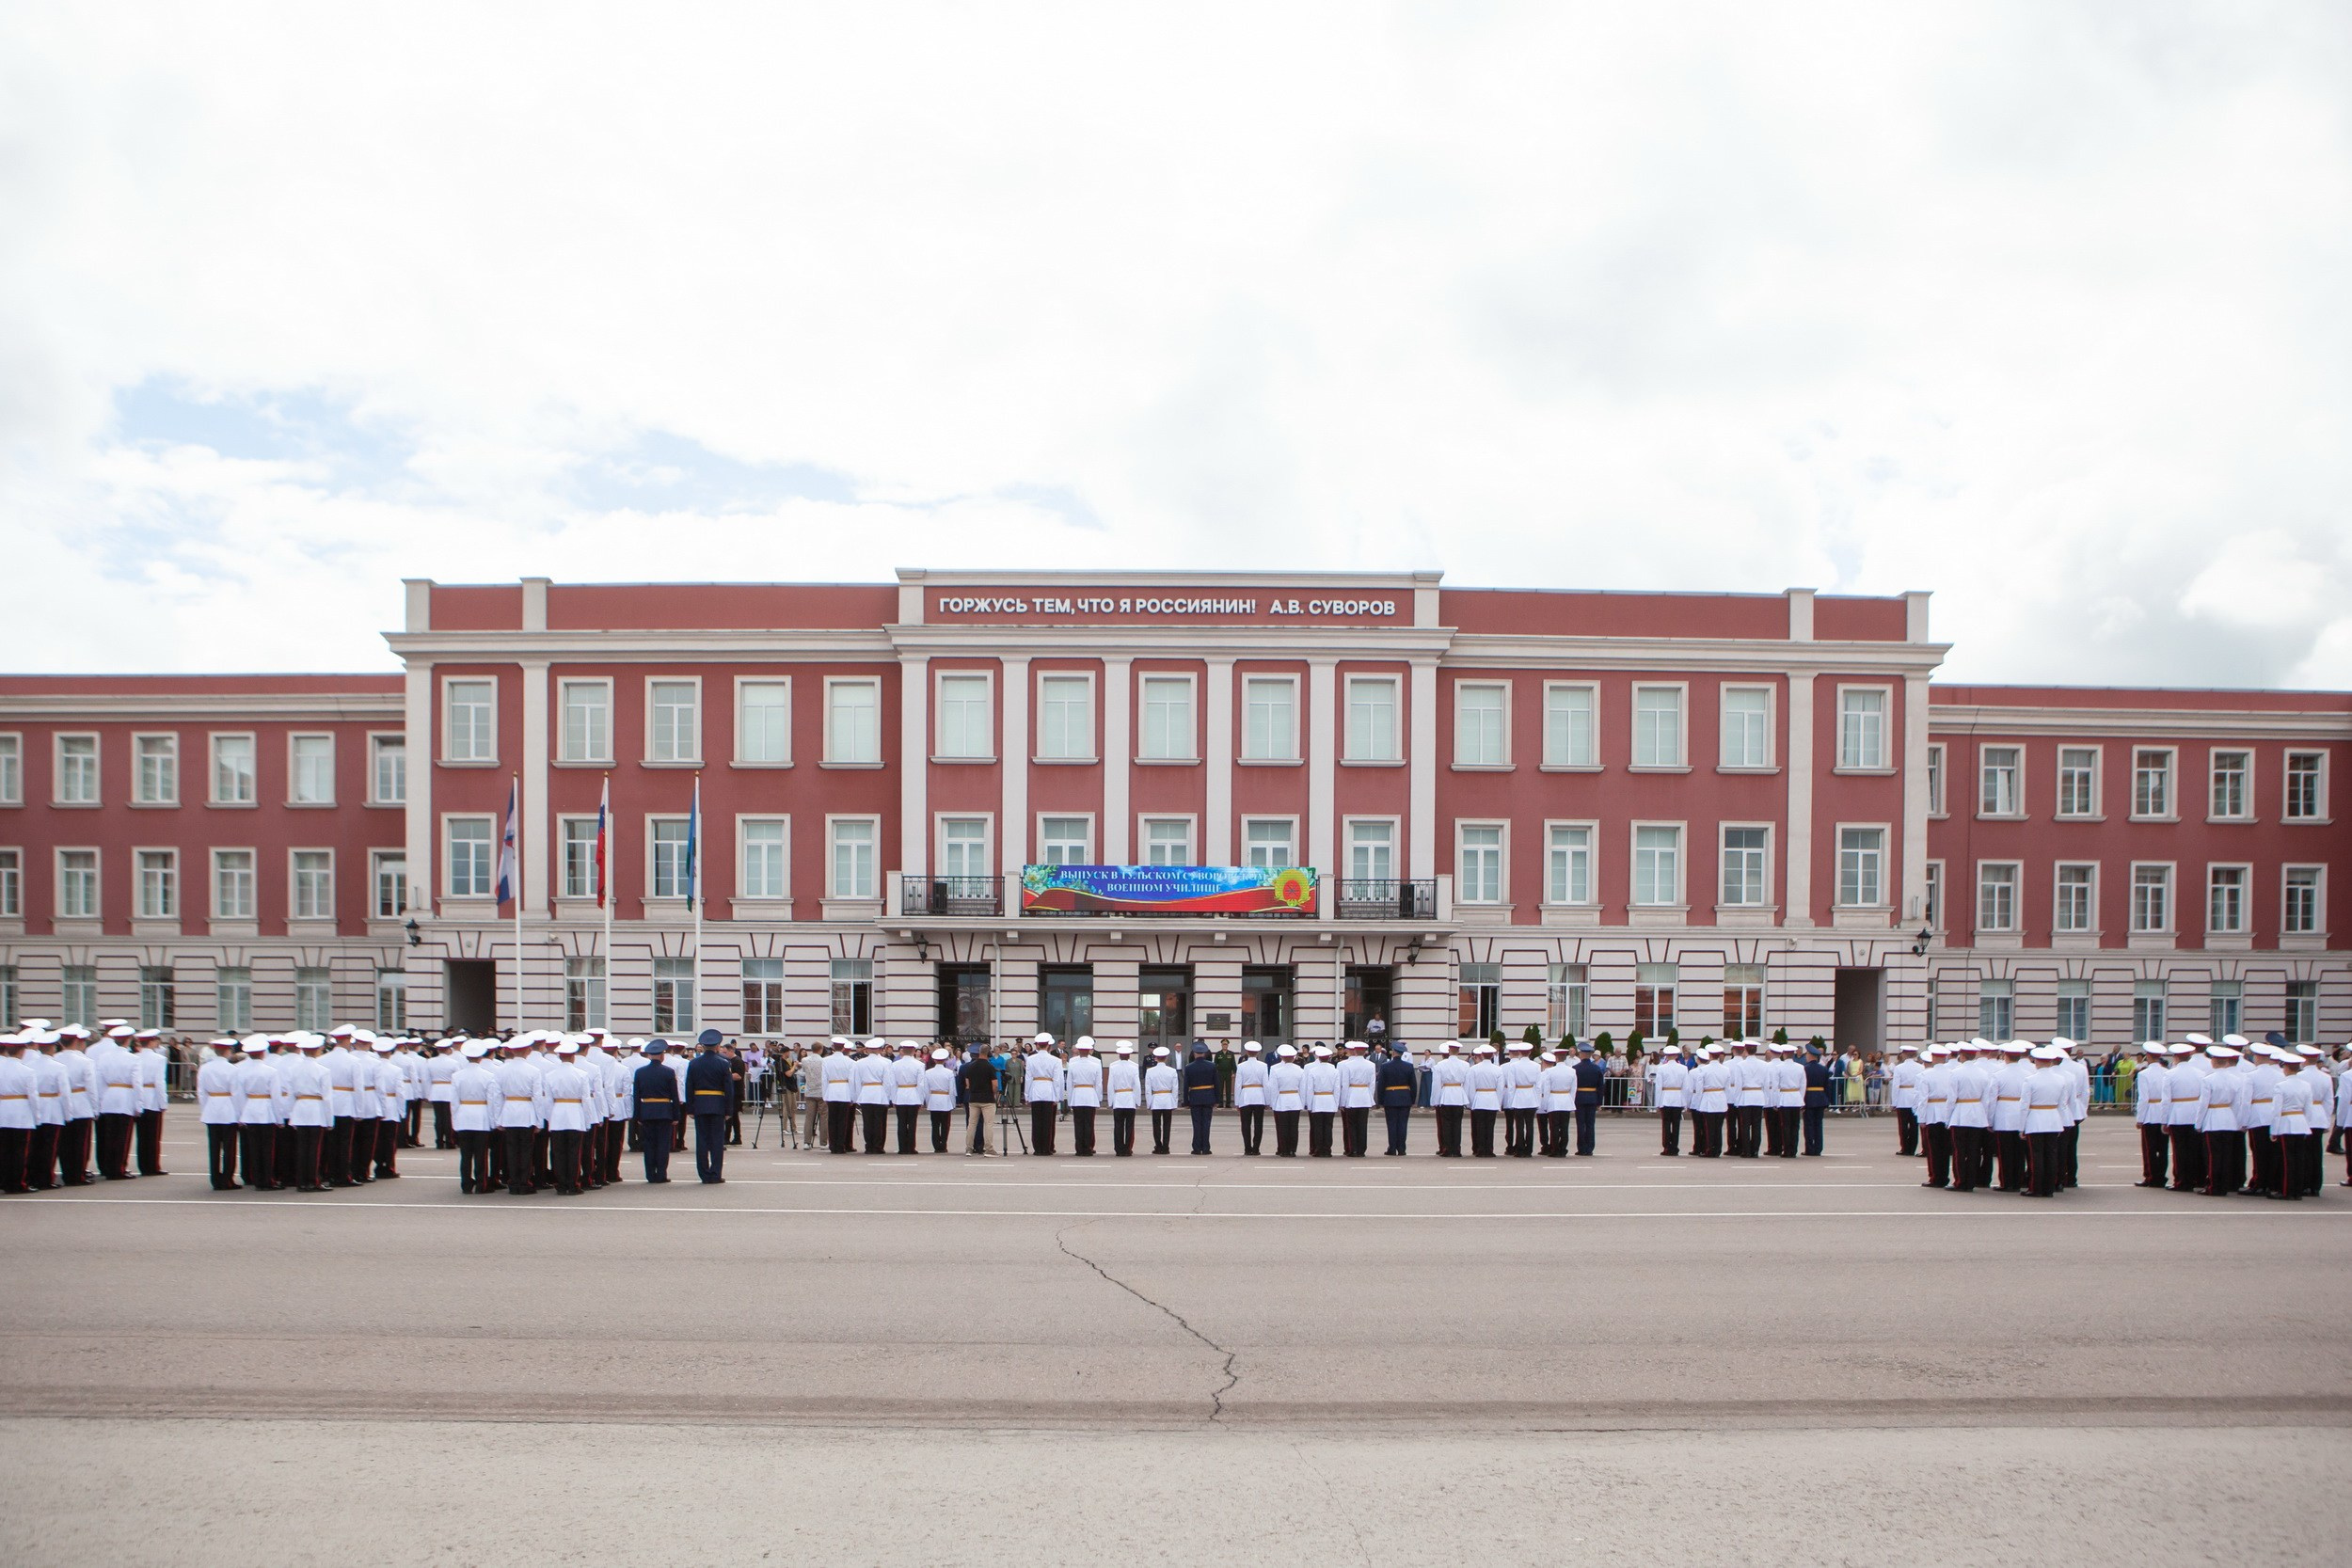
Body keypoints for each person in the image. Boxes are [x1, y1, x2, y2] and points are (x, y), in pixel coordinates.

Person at [450, 1041, 500, 1194]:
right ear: (480, 1057)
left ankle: (466, 1184)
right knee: (481, 1153)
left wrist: (455, 1121)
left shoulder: (457, 1076)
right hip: (481, 1116)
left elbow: (454, 1102)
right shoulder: (488, 1076)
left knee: (465, 1154)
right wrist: (493, 1121)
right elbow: (492, 1101)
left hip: (464, 1114)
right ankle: (481, 1184)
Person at [685, 1029, 733, 1184]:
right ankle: (715, 1173)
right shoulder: (724, 1063)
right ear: (718, 1046)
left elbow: (689, 1086)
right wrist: (728, 1110)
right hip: (717, 1105)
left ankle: (704, 1174)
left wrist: (690, 1108)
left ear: (703, 1046)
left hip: (700, 1104)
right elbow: (729, 1089)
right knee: (717, 1141)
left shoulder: (693, 1063)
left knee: (702, 1140)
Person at [198, 1037, 243, 1190]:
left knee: (214, 1147)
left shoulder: (205, 1068)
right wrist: (239, 1114)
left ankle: (215, 1179)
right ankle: (227, 1179)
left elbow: (201, 1092)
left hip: (211, 1108)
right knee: (229, 1148)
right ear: (227, 1051)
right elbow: (236, 1094)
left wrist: (205, 1110)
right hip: (228, 1109)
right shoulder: (232, 1069)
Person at [2132, 1040, 2170, 1188]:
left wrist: (2140, 1119)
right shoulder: (2167, 1072)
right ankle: (2161, 1176)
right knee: (2163, 1148)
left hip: (2150, 1113)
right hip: (2164, 1113)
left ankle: (2151, 1176)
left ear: (2148, 1056)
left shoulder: (2144, 1074)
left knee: (2150, 1149)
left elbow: (2143, 1098)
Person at [1024, 1034, 1064, 1156]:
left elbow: (1028, 1078)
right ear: (1048, 1045)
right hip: (1049, 1091)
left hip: (1035, 1090)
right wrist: (1058, 1096)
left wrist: (1027, 1095)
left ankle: (1037, 1148)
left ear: (1037, 1045)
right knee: (1047, 1122)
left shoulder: (1031, 1059)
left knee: (1036, 1122)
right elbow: (1058, 1080)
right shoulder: (1056, 1060)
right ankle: (1046, 1148)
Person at [1501, 1039, 1540, 1158]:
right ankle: (1529, 1149)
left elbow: (1511, 1086)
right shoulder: (1536, 1066)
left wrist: (1511, 1101)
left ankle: (1520, 1149)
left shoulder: (1514, 1066)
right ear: (1529, 1052)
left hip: (1519, 1096)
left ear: (1520, 1052)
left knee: (1519, 1125)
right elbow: (1538, 1086)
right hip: (1531, 1096)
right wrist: (1537, 1101)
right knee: (1530, 1125)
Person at [1065, 1037, 1104, 1156]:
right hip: (1090, 1095)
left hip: (1077, 1095)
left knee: (1078, 1124)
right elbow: (1099, 1083)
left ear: (1079, 1050)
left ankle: (1079, 1148)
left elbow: (1069, 1083)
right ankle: (1087, 1148)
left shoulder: (1072, 1064)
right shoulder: (1095, 1065)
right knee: (1089, 1124)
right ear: (1089, 1051)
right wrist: (1098, 1098)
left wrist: (1070, 1100)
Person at [1265, 1043, 1305, 1157]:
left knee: (1283, 1127)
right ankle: (1292, 1150)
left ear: (1282, 1057)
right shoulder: (1300, 1070)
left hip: (1282, 1100)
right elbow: (1303, 1089)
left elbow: (1273, 1088)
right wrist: (1302, 1103)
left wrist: (1273, 1103)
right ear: (1294, 1057)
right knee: (1294, 1127)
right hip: (1295, 1099)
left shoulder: (1276, 1070)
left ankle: (1284, 1150)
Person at [1376, 1042, 1415, 1155]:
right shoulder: (1408, 1066)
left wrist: (1381, 1100)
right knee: (1403, 1124)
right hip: (1405, 1098)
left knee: (1392, 1124)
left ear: (1393, 1052)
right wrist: (1412, 1100)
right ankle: (1402, 1148)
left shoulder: (1385, 1066)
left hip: (1390, 1098)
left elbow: (1381, 1085)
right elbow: (1413, 1085)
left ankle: (1392, 1148)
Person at [1465, 1043, 1503, 1158]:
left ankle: (1481, 1149)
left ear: (1481, 1055)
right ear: (1492, 1056)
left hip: (1479, 1098)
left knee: (1480, 1126)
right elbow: (1500, 1089)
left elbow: (1471, 1087)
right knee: (1490, 1126)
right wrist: (1498, 1103)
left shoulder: (1474, 1069)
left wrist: (1471, 1102)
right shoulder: (1498, 1069)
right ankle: (1489, 1149)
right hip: (1492, 1098)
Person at [1429, 1041, 1467, 1157]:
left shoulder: (1440, 1065)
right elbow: (1467, 1083)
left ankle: (1448, 1149)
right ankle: (1457, 1149)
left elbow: (1436, 1084)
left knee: (1446, 1124)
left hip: (1446, 1095)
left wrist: (1435, 1101)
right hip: (1459, 1095)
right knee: (1457, 1124)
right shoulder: (1465, 1065)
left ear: (1449, 1051)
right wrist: (1466, 1098)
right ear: (1458, 1052)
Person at [1303, 1044, 1342, 1157]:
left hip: (1317, 1100)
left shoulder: (1313, 1071)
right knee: (1328, 1126)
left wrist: (1309, 1104)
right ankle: (1327, 1149)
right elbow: (1337, 1089)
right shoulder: (1334, 1070)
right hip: (1330, 1100)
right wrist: (1336, 1103)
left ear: (1318, 1057)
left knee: (1318, 1127)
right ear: (1329, 1057)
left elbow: (1310, 1089)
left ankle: (1319, 1149)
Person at [958, 1043, 996, 1155]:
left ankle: (969, 1148)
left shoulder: (970, 1066)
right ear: (988, 1053)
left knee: (971, 1124)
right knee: (988, 1124)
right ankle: (989, 1148)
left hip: (973, 1098)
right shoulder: (990, 1066)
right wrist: (993, 1094)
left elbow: (967, 1084)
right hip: (987, 1099)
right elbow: (994, 1085)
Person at [1104, 1042, 1141, 1157]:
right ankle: (1127, 1149)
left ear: (1119, 1055)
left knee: (1118, 1126)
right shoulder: (1134, 1067)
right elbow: (1137, 1085)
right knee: (1130, 1126)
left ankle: (1119, 1149)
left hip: (1118, 1098)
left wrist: (1110, 1101)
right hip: (1130, 1098)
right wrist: (1137, 1101)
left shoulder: (1113, 1066)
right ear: (1129, 1055)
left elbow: (1110, 1084)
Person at [890, 1040, 926, 1156]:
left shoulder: (895, 1065)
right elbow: (921, 1084)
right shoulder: (919, 1065)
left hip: (900, 1094)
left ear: (902, 1051)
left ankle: (902, 1148)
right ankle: (911, 1147)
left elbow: (892, 1083)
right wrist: (921, 1099)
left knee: (901, 1123)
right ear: (914, 1051)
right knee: (912, 1123)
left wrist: (893, 1099)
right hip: (913, 1095)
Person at [1184, 1043, 1219, 1154]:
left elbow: (1186, 1086)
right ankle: (1206, 1148)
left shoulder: (1189, 1067)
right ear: (1204, 1054)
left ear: (1194, 1053)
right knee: (1206, 1123)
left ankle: (1197, 1148)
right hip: (1208, 1097)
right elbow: (1217, 1083)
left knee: (1196, 1124)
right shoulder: (1212, 1066)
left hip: (1195, 1097)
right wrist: (1217, 1100)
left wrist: (1186, 1101)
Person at [1234, 1041, 1269, 1156]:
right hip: (1259, 1096)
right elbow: (1266, 1084)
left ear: (1247, 1052)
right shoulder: (1263, 1066)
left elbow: (1238, 1085)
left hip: (1246, 1096)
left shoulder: (1241, 1066)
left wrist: (1237, 1102)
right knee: (1258, 1124)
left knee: (1245, 1124)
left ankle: (1247, 1148)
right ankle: (1256, 1148)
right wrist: (1267, 1101)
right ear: (1258, 1053)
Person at [1888, 1043, 1923, 1156]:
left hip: (1903, 1097)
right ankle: (1912, 1148)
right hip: (1915, 1097)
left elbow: (1896, 1086)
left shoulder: (1899, 1068)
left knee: (1903, 1125)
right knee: (1914, 1125)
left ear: (1904, 1054)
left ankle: (1905, 1147)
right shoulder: (1920, 1067)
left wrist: (1894, 1102)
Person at [1145, 1045, 1180, 1154]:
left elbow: (1148, 1089)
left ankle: (1158, 1146)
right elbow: (1175, 1088)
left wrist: (1149, 1103)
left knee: (1156, 1125)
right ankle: (1166, 1147)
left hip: (1156, 1099)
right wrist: (1174, 1102)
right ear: (1166, 1058)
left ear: (1156, 1058)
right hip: (1168, 1099)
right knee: (1167, 1125)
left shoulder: (1150, 1071)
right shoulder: (1172, 1071)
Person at [923, 1047, 959, 1153]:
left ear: (934, 1060)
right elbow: (952, 1090)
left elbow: (926, 1090)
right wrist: (953, 1103)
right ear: (945, 1060)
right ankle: (943, 1144)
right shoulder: (949, 1073)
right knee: (945, 1125)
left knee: (935, 1125)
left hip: (933, 1099)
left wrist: (928, 1102)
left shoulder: (928, 1072)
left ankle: (936, 1145)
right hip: (945, 1100)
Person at [1801, 1042, 1831, 1157]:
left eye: (1807, 1054)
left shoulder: (1805, 1069)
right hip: (1821, 1098)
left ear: (1810, 1055)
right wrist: (1827, 1100)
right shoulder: (1823, 1069)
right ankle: (1818, 1148)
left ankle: (1810, 1148)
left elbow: (1803, 1086)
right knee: (1818, 1125)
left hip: (1809, 1098)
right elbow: (1827, 1086)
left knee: (1808, 1125)